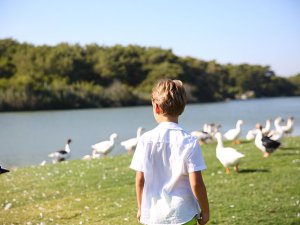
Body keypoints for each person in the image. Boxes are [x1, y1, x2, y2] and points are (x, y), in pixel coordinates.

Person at [130, 79, 209, 225]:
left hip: (154, 215)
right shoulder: (189, 141)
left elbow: (140, 180)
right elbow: (196, 183)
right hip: (184, 214)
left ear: (156, 107)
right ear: (182, 108)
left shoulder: (145, 140)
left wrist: (141, 208)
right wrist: (205, 210)